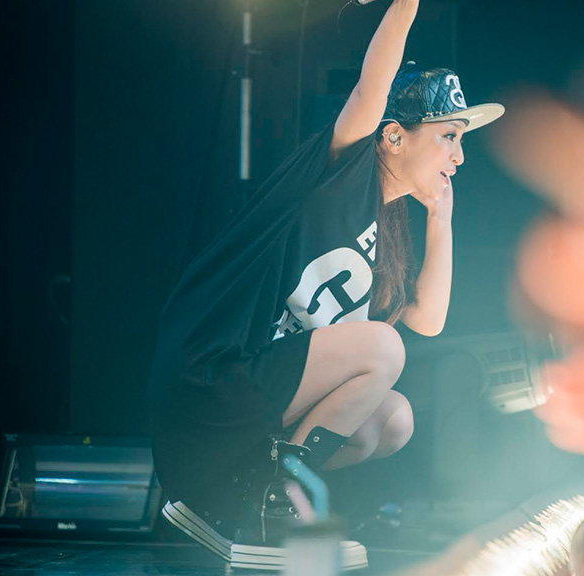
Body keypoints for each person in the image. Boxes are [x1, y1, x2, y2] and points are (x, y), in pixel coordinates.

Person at [146, 0, 504, 563]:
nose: (459, 156)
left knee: (392, 420)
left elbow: (430, 321)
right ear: (394, 137)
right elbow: (370, 90)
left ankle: (238, 496)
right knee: (383, 349)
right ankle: (274, 507)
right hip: (214, 380)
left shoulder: (388, 231)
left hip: (261, 395)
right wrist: (405, 5)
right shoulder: (342, 172)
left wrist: (441, 220)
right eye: (449, 136)